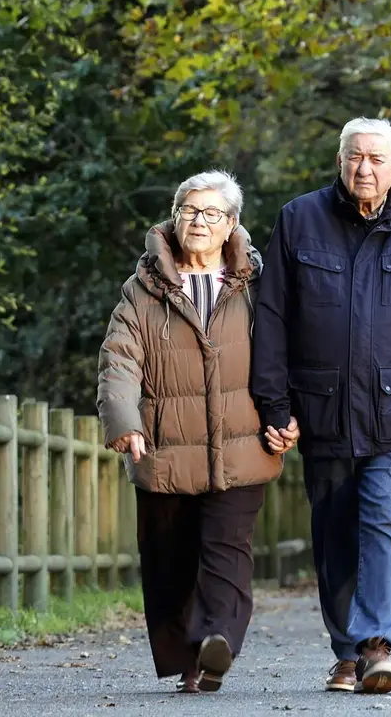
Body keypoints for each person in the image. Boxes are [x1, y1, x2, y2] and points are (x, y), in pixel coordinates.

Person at [250, 117, 391, 695]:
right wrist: (275, 406)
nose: (365, 168)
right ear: (340, 160)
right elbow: (271, 320)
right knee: (334, 535)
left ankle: (376, 646)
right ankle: (346, 654)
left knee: (384, 518)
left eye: (377, 159)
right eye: (355, 156)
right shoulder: (299, 218)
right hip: (321, 412)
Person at [97, 171, 299, 694]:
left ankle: (217, 640)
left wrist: (290, 414)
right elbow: (119, 359)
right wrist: (124, 421)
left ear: (232, 224)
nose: (199, 221)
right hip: (166, 446)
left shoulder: (257, 286)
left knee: (228, 549)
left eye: (212, 213)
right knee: (170, 558)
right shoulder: (143, 289)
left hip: (243, 443)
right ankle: (191, 660)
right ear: (174, 218)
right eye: (189, 211)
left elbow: (287, 354)